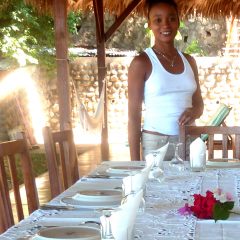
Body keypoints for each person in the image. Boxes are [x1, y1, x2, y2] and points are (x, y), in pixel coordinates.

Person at [128, 0, 204, 161]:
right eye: (158, 20)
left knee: (195, 186)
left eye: (171, 18)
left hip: (190, 141)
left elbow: (199, 105)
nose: (166, 25)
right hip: (157, 144)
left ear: (178, 21)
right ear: (149, 24)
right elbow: (134, 117)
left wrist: (193, 112)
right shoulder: (141, 63)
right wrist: (134, 164)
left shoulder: (190, 61)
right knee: (157, 186)